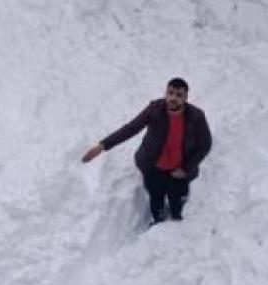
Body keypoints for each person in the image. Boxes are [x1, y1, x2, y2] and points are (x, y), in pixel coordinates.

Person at [82, 78, 213, 225]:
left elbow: (205, 144)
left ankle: (176, 217)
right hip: (154, 167)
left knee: (177, 200)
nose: (173, 98)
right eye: (170, 93)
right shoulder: (155, 109)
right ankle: (158, 220)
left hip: (180, 170)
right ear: (166, 93)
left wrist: (186, 168)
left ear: (186, 98)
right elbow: (131, 128)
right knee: (156, 198)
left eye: (179, 95)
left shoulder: (196, 116)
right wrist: (102, 145)